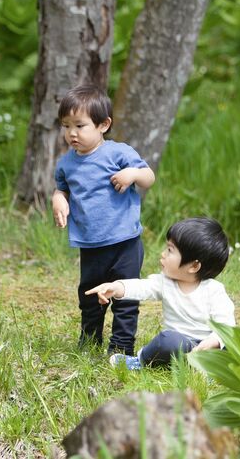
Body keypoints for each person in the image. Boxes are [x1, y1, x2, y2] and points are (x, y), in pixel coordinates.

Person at [52, 84, 156, 356]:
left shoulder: (118, 153)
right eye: (66, 126)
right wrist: (59, 198)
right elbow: (62, 187)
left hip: (125, 243)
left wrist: (132, 174)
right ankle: (89, 341)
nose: (71, 133)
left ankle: (120, 348)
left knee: (126, 296)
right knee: (89, 296)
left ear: (103, 125)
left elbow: (149, 176)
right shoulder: (66, 164)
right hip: (91, 244)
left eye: (80, 125)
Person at [86, 217, 236, 370]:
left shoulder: (214, 291)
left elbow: (227, 325)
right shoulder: (165, 283)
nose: (163, 254)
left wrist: (214, 341)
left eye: (170, 250)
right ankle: (140, 361)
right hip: (178, 345)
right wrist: (116, 287)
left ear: (194, 266)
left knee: (232, 347)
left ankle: (204, 369)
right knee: (168, 340)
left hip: (207, 348)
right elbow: (142, 287)